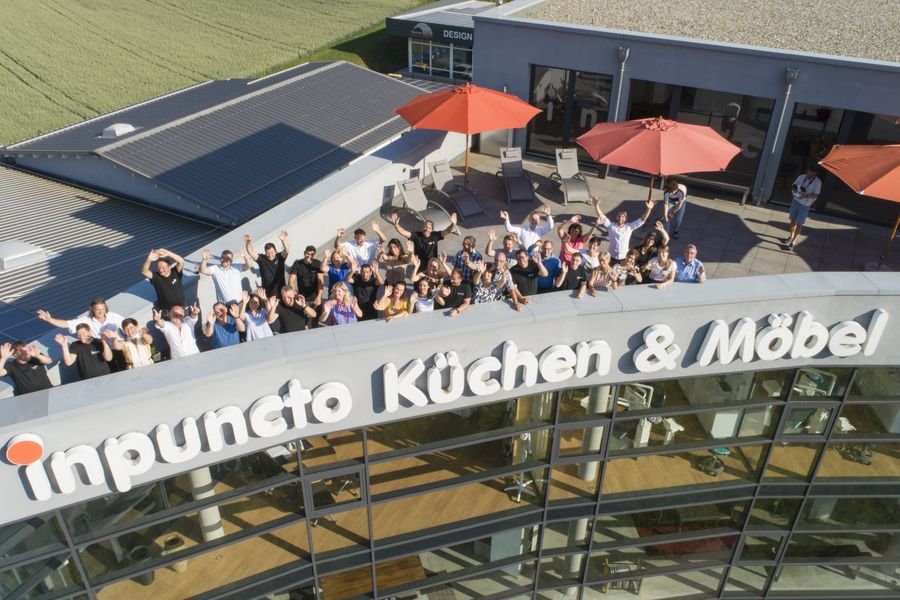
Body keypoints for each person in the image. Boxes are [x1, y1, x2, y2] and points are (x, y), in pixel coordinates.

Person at [390, 212, 456, 271]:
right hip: (419, 266)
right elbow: (404, 232)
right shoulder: (416, 236)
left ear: (432, 230)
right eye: (425, 227)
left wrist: (453, 224)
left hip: (433, 266)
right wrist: (396, 225)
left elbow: (447, 231)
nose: (427, 229)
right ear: (423, 227)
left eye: (429, 228)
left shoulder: (435, 236)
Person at [36, 298, 124, 339]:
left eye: (103, 309)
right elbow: (67, 324)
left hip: (120, 346)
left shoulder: (113, 316)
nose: (101, 312)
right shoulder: (86, 320)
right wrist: (49, 319)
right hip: (104, 351)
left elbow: (127, 325)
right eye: (98, 310)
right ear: (92, 310)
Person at [785, 167, 822, 250]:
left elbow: (816, 195)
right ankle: (791, 236)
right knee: (792, 220)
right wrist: (794, 191)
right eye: (807, 171)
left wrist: (805, 196)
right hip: (795, 201)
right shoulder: (801, 177)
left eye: (809, 172)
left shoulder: (818, 182)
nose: (807, 173)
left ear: (814, 173)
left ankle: (793, 242)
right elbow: (793, 186)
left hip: (805, 205)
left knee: (799, 223)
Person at [244, 231, 289, 298]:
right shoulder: (262, 259)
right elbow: (250, 252)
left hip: (282, 291)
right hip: (268, 293)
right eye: (267, 253)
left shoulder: (280, 257)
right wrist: (248, 243)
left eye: (272, 252)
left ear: (275, 251)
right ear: (265, 252)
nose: (270, 255)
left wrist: (283, 240)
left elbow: (286, 250)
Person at [141, 248, 186, 313]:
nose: (161, 270)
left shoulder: (176, 272)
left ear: (169, 267)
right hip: (167, 312)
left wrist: (168, 253)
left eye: (163, 267)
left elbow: (181, 261)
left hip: (182, 309)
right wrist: (149, 259)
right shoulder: (156, 277)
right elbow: (144, 271)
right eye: (159, 268)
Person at [288, 245, 324, 311]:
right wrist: (295, 294)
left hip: (315, 298)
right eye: (307, 253)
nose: (309, 256)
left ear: (314, 255)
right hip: (302, 298)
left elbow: (320, 281)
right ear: (304, 253)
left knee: (315, 318)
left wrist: (319, 296)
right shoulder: (297, 264)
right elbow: (291, 281)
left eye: (312, 254)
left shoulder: (318, 263)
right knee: (301, 319)